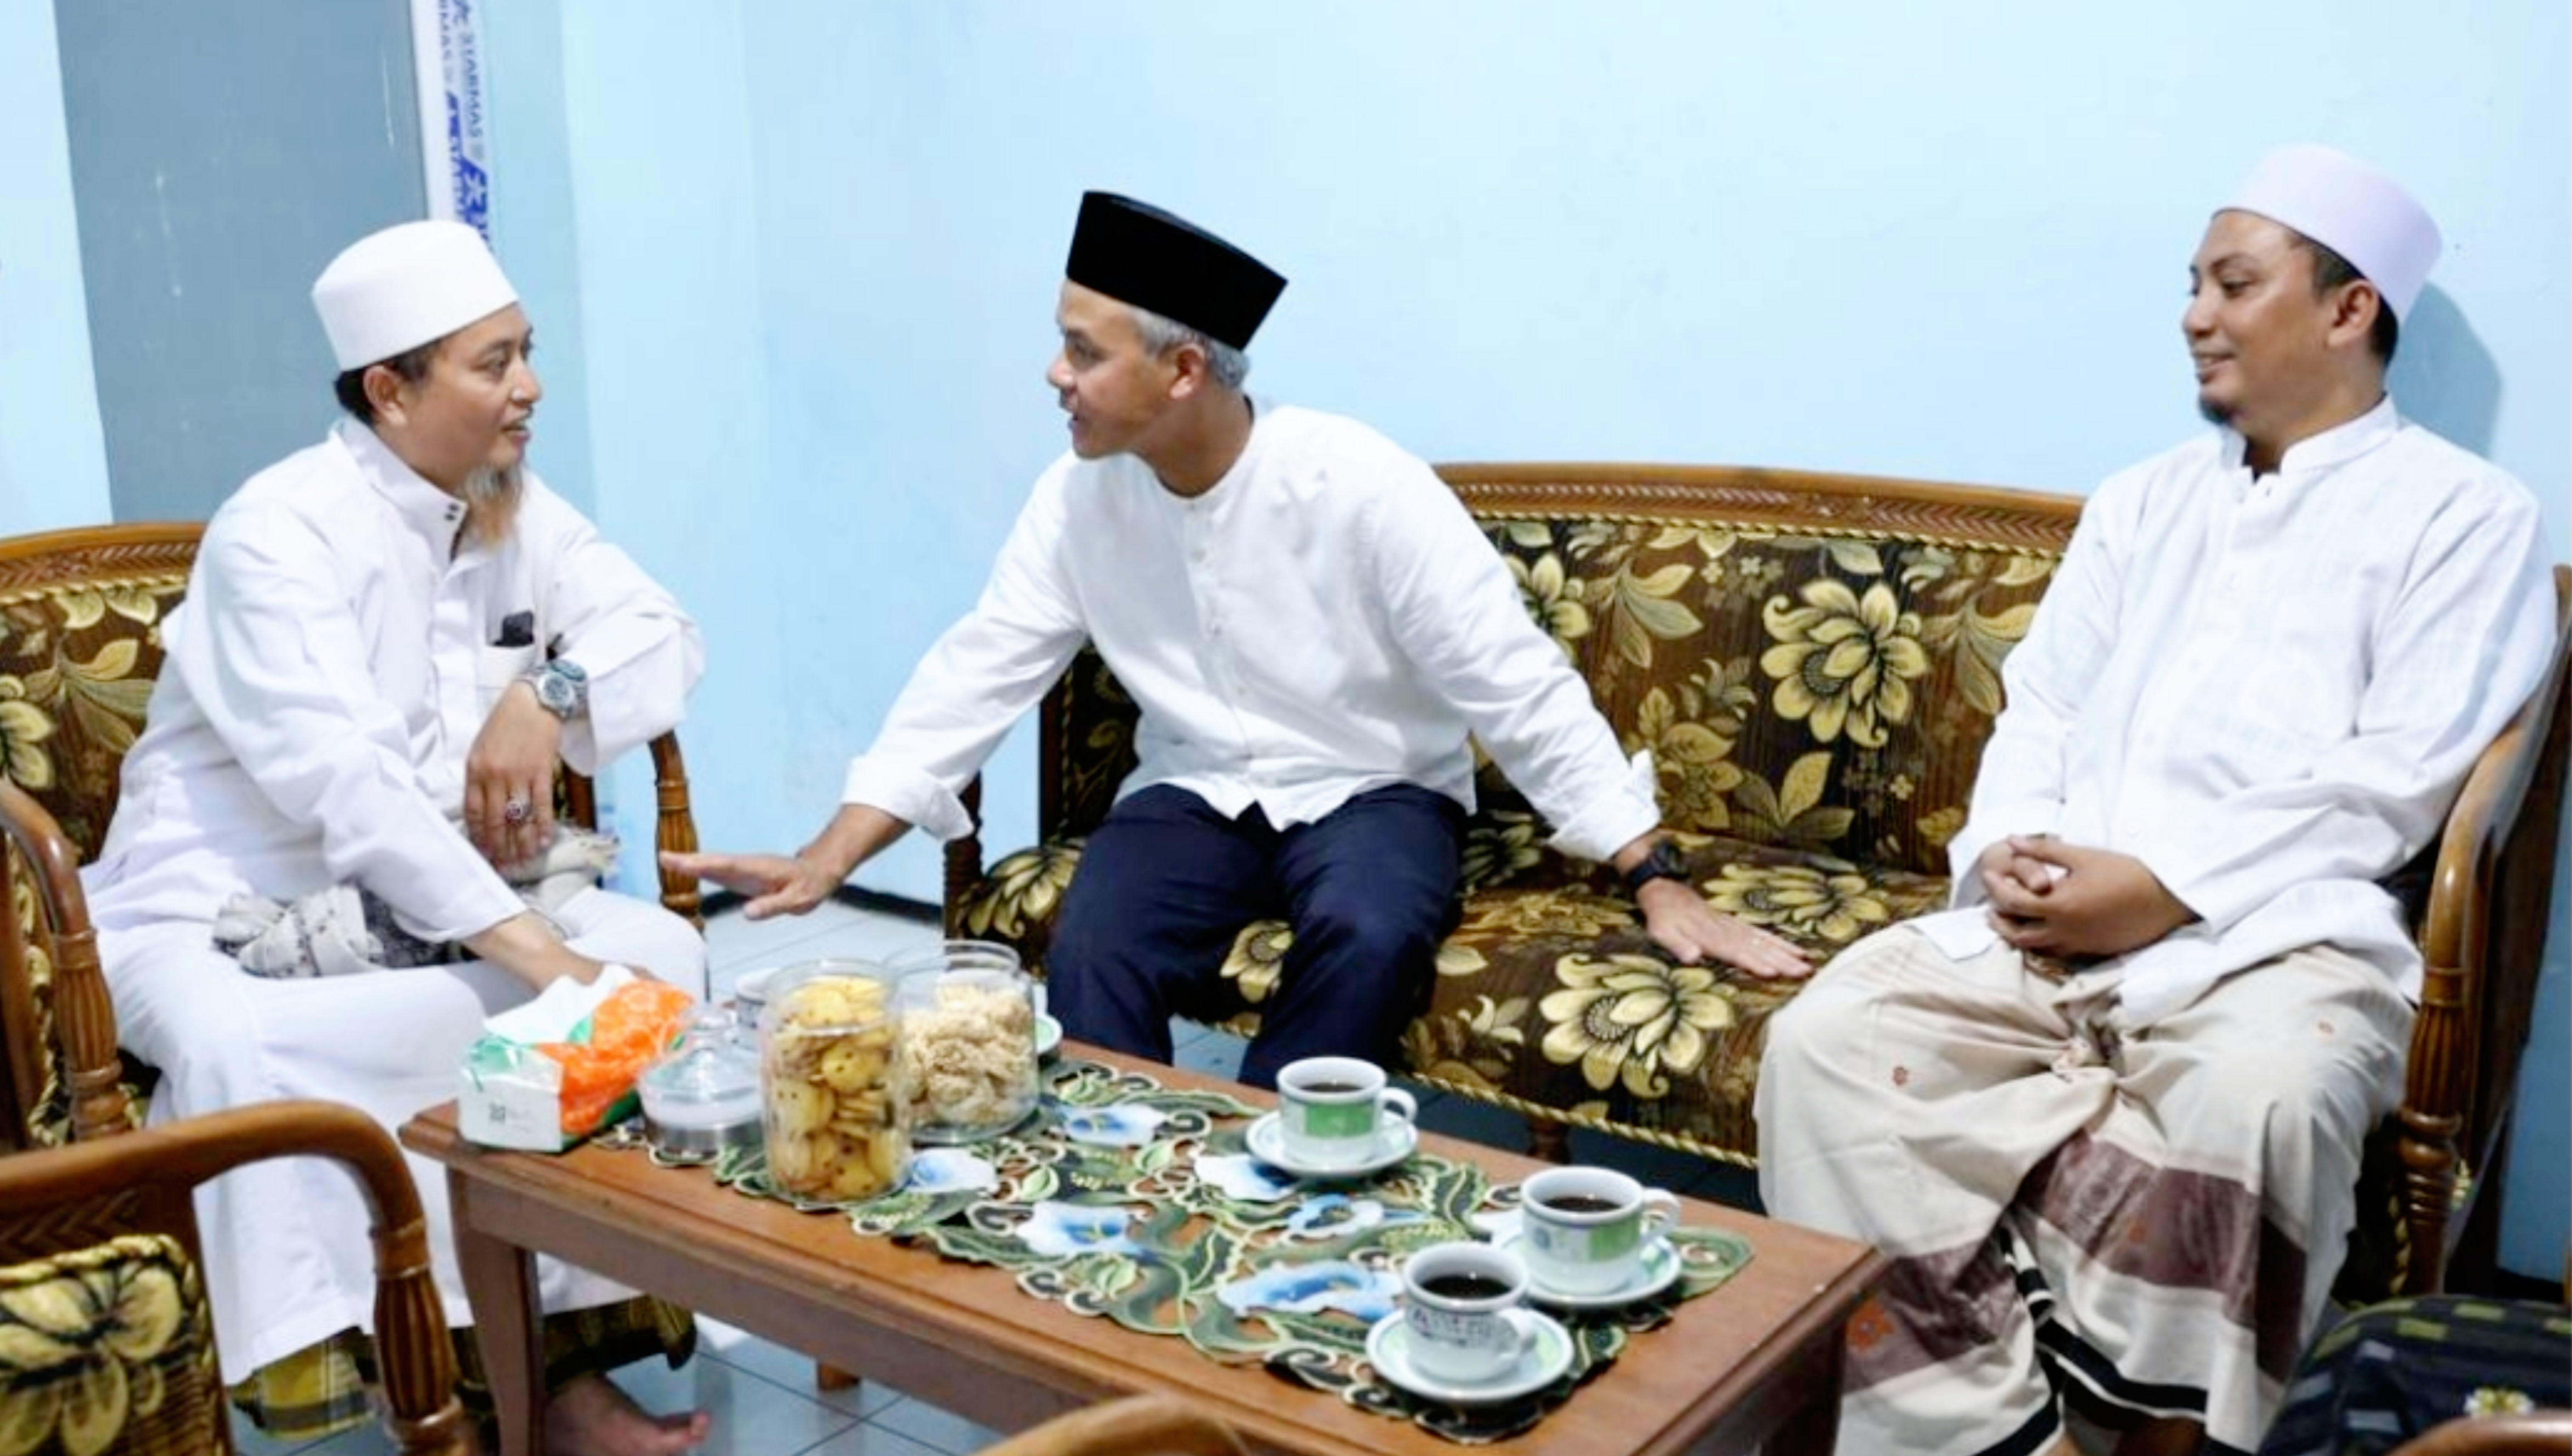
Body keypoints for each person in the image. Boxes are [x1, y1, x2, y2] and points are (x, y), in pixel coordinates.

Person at [1754, 144, 2557, 1456]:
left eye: (2232, 284)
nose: (2193, 314)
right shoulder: (2141, 502)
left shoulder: (2464, 517)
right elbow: (2043, 707)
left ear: (2347, 309)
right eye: (2192, 283)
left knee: (2261, 1102)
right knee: (1829, 1039)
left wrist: (2161, 888)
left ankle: (2150, 1441)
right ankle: (1978, 1435)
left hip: (2273, 939)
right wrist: (2014, 855)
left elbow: (2394, 777)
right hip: (2048, 913)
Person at [669, 191, 1808, 1089]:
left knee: (1369, 930)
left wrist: (1654, 875)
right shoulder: (1077, 498)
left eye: (1082, 351)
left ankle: (1275, 1187)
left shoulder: (1358, 485)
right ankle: (1117, 1188)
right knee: (1093, 934)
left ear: (1182, 371)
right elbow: (977, 673)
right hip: (1195, 794)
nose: (1053, 376)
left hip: (1375, 791)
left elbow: (1514, 685)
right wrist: (831, 854)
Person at [82, 220, 713, 1455]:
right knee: (237, 1048)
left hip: (453, 894)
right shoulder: (277, 531)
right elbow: (346, 788)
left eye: (526, 352)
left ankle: (561, 1376)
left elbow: (659, 626)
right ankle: (396, 1380)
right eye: (493, 363)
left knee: (658, 961)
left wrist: (547, 695)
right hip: (217, 906)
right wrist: (539, 959)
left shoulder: (509, 505)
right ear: (391, 389)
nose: (529, 385)